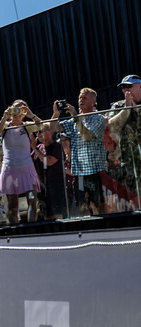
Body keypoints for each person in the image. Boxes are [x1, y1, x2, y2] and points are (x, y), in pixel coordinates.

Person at [53, 88, 108, 216]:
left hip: (95, 171)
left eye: (85, 98)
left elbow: (87, 136)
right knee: (82, 206)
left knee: (97, 204)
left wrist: (76, 117)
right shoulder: (73, 121)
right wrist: (56, 114)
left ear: (93, 102)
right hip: (79, 172)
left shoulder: (98, 118)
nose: (80, 100)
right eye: (79, 98)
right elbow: (53, 128)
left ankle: (104, 229)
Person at [0, 100, 42, 223]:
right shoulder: (5, 126)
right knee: (13, 205)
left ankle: (32, 229)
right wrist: (4, 117)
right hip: (10, 169)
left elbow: (41, 126)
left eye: (21, 110)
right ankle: (15, 230)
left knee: (32, 200)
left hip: (27, 168)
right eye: (15, 109)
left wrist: (31, 114)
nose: (17, 113)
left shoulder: (26, 126)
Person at [108, 75, 141, 202]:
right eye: (123, 87)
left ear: (140, 86)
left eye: (128, 86)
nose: (125, 90)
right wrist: (126, 109)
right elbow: (111, 126)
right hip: (128, 161)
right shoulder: (118, 105)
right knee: (133, 199)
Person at [32, 125, 68, 220]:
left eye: (41, 131)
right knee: (45, 216)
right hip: (42, 188)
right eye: (37, 132)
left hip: (56, 186)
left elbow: (49, 161)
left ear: (50, 132)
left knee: (56, 216)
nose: (38, 134)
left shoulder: (56, 146)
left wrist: (34, 148)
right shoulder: (39, 147)